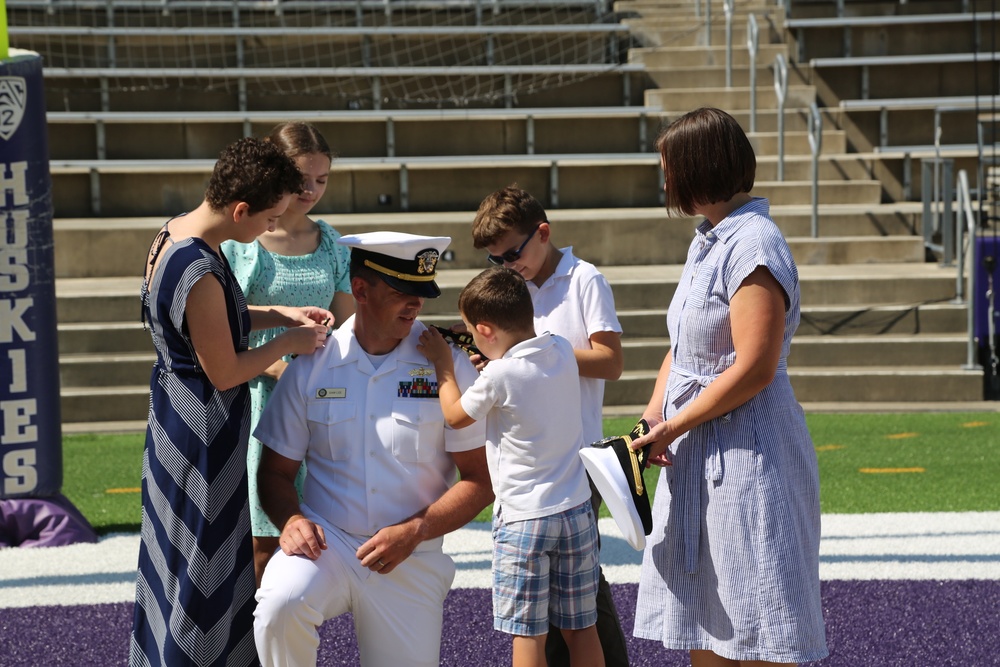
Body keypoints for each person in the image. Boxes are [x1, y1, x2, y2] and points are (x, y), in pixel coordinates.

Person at [628, 107, 829, 666]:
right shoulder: (708, 240)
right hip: (703, 448)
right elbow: (684, 346)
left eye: (670, 168)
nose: (665, 181)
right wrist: (652, 418)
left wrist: (676, 423)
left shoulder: (754, 244)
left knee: (756, 621)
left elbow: (756, 366)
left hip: (748, 456)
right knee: (707, 621)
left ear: (699, 167)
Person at [131, 137, 331, 667]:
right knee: (201, 572)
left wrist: (282, 315)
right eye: (267, 219)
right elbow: (224, 371)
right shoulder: (197, 267)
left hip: (176, 420)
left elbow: (223, 316)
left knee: (177, 564)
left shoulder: (176, 232)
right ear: (240, 208)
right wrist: (288, 343)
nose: (268, 229)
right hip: (201, 436)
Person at [251, 231, 494, 667]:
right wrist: (290, 520)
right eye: (404, 292)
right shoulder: (311, 362)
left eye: (423, 292)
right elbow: (274, 472)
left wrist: (416, 531)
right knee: (279, 606)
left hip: (411, 552)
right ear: (360, 290)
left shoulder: (450, 364)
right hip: (328, 544)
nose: (417, 304)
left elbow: (480, 480)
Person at [471, 185, 627, 667]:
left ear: (543, 233)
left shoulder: (584, 280)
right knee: (562, 611)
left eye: (512, 253)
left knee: (578, 610)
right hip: (524, 465)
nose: (507, 265)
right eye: (497, 261)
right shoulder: (512, 288)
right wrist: (498, 361)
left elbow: (610, 360)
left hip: (574, 460)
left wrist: (537, 352)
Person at [418, 266, 605, 667]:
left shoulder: (500, 374)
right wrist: (492, 358)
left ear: (484, 331)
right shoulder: (558, 349)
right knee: (581, 627)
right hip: (575, 509)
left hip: (524, 520)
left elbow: (454, 415)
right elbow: (526, 382)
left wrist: (443, 365)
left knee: (529, 634)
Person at [222, 121, 354, 586]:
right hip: (255, 397)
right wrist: (277, 361)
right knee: (262, 537)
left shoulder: (334, 242)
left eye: (322, 180)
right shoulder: (247, 241)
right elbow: (223, 322)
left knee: (320, 531)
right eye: (301, 179)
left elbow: (349, 324)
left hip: (317, 400)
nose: (311, 191)